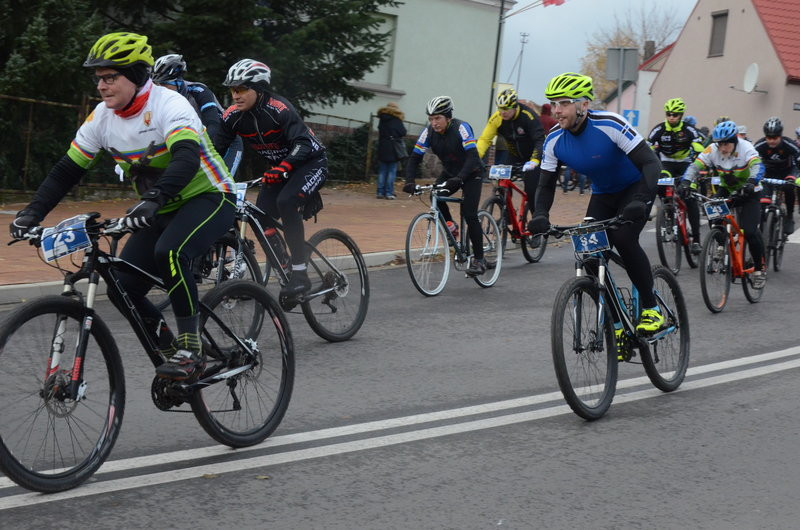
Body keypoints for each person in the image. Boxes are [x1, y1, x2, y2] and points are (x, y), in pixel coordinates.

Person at [8, 32, 237, 380]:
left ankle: (191, 348)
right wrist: (31, 213)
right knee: (123, 286)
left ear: (136, 75)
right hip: (158, 204)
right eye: (98, 78)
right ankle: (171, 351)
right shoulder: (102, 117)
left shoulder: (168, 104)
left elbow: (187, 159)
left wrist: (153, 200)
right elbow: (66, 170)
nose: (101, 85)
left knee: (171, 253)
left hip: (208, 195)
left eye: (110, 77)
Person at [527, 72, 665, 335]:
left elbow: (651, 163)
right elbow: (545, 184)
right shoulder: (554, 140)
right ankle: (615, 323)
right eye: (554, 103)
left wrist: (641, 199)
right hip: (604, 194)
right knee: (588, 254)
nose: (557, 110)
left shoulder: (610, 124)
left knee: (624, 240)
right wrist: (541, 214)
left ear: (584, 105)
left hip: (635, 188)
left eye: (564, 103)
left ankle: (651, 308)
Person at [215, 58, 327, 297]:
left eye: (242, 88)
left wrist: (284, 166)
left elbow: (303, 144)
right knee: (260, 214)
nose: (235, 95)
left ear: (259, 88)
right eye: (233, 89)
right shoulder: (232, 116)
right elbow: (215, 150)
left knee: (286, 203)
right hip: (280, 168)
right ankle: (284, 264)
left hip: (310, 162)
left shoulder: (279, 109)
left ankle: (300, 273)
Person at [402, 96, 487, 276]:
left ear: (448, 117)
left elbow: (472, 156)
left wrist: (460, 178)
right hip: (450, 172)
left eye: (437, 118)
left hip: (472, 172)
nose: (434, 123)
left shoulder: (461, 128)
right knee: (435, 194)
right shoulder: (428, 133)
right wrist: (409, 181)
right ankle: (451, 226)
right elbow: (414, 158)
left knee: (470, 214)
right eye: (431, 119)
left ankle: (479, 260)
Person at [679, 120, 766, 287]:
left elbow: (758, 166)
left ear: (734, 141)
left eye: (726, 144)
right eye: (719, 144)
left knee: (749, 231)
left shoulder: (746, 148)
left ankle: (759, 269)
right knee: (714, 215)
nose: (722, 148)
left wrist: (752, 181)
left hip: (749, 192)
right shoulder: (713, 149)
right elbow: (695, 165)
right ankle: (720, 243)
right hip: (727, 189)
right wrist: (685, 182)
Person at [152, 53, 243, 175]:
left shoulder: (198, 91)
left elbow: (214, 124)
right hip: (200, 144)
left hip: (227, 141)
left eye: (164, 84)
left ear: (178, 82)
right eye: (157, 85)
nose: (160, 89)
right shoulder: (160, 100)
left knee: (224, 186)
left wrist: (191, 148)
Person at [647, 97, 705, 254]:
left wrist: (698, 154)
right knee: (661, 184)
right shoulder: (659, 129)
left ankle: (697, 240)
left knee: (690, 198)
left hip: (686, 164)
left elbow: (699, 144)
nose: (671, 117)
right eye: (669, 114)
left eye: (675, 114)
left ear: (681, 115)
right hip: (666, 164)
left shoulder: (689, 129)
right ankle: (667, 212)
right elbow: (648, 146)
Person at [477, 88, 545, 218]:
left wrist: (535, 160)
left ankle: (538, 222)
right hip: (514, 154)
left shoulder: (528, 116)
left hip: (533, 157)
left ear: (515, 107)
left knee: (531, 190)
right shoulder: (497, 118)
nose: (503, 112)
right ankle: (508, 214)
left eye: (506, 108)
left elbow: (540, 140)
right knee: (501, 182)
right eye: (500, 108)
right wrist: (475, 159)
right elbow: (484, 140)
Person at [753, 117, 800, 233]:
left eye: (775, 138)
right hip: (769, 172)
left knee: (789, 187)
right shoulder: (760, 145)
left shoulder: (789, 144)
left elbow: (798, 161)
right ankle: (763, 228)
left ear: (780, 136)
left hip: (787, 172)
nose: (772, 141)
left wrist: (795, 176)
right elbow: (752, 161)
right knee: (763, 201)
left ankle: (789, 216)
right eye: (769, 138)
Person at [376, 101, 407, 199]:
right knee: (391, 171)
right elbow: (403, 132)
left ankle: (380, 192)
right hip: (393, 147)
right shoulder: (397, 119)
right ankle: (389, 193)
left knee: (382, 170)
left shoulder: (382, 119)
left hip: (382, 146)